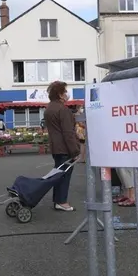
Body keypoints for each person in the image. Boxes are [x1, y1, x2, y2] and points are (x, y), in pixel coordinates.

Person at [44, 81, 79, 212]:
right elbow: (68, 133)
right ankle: (61, 201)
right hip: (65, 148)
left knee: (58, 173)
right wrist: (75, 151)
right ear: (60, 94)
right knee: (64, 175)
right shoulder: (63, 110)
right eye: (64, 91)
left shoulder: (49, 108)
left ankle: (58, 199)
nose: (66, 94)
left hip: (55, 147)